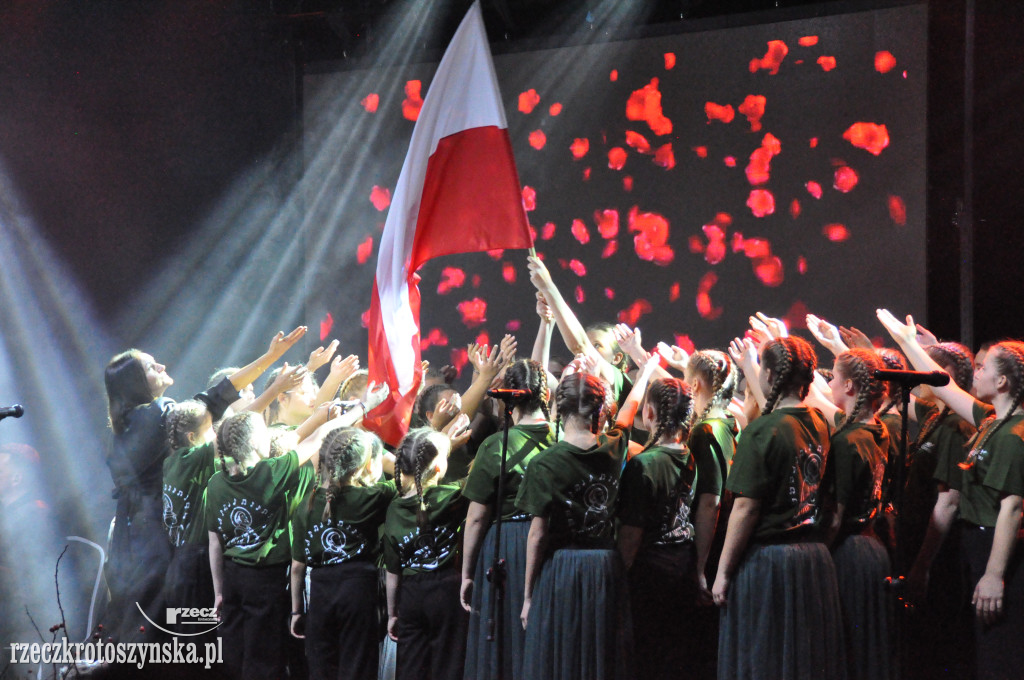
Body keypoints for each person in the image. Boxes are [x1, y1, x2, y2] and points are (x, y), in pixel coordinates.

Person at [102, 326, 306, 643]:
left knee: (156, 640)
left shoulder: (129, 427)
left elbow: (220, 423)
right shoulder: (152, 416)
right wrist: (270, 358)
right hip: (162, 549)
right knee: (175, 641)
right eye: (150, 367)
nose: (162, 366)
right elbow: (212, 402)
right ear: (135, 383)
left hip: (144, 546)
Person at [878, 310, 1024, 680]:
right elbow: (945, 386)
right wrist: (908, 343)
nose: (976, 371)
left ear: (1003, 381)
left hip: (996, 548)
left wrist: (994, 574)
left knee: (1000, 656)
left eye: (984, 367)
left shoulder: (1014, 434)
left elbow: (1013, 508)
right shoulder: (992, 418)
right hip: (975, 546)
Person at [207, 382, 387, 680]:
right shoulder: (271, 472)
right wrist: (363, 407)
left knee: (237, 657)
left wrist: (218, 591)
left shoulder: (216, 482)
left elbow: (215, 542)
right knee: (266, 661)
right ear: (254, 443)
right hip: (266, 580)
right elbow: (316, 438)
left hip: (233, 578)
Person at [515, 353, 660, 680]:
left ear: (558, 410)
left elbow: (537, 535)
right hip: (605, 567)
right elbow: (629, 410)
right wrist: (646, 370)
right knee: (600, 656)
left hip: (562, 569)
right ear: (602, 411)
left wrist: (527, 596)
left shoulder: (545, 463)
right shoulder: (615, 446)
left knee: (563, 655)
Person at [713, 336, 846, 680]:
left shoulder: (761, 431)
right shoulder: (820, 422)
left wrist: (724, 573)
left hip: (770, 565)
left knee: (767, 658)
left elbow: (745, 509)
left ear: (769, 374)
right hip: (812, 561)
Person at [461, 359, 554, 680]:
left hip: (508, 549)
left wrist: (466, 574)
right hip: (553, 547)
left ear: (509, 400)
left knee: (504, 639)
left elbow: (476, 518)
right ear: (547, 396)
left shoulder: (495, 445)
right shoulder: (561, 441)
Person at [812, 349, 894, 680]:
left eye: (831, 377)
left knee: (848, 645)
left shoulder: (847, 441)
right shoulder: (878, 429)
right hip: (873, 548)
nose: (828, 383)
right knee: (871, 647)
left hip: (848, 553)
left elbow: (835, 517)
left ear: (848, 387)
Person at [289, 427, 394, 680]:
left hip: (321, 592)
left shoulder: (306, 504)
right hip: (359, 590)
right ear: (363, 466)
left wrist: (296, 612)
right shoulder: (374, 495)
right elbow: (408, 477)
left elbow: (297, 567)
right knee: (357, 666)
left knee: (322, 667)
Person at [616, 377, 700, 680]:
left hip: (649, 572)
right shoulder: (689, 456)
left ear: (649, 413)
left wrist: (620, 572)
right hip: (682, 563)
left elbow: (631, 534)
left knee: (647, 654)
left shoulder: (644, 464)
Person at [383, 419, 471, 680]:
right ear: (439, 467)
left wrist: (392, 613)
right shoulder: (451, 496)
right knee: (449, 662)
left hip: (411, 594)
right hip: (446, 590)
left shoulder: (393, 508)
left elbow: (392, 570)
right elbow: (477, 479)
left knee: (411, 666)